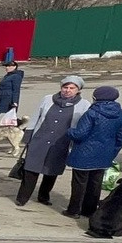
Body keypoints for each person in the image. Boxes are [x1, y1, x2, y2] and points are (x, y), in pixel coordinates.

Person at [16, 76, 90, 207]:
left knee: (52, 170)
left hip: (61, 143)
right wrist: (28, 136)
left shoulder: (84, 104)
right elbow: (35, 117)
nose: (68, 90)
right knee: (31, 169)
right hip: (40, 139)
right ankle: (22, 198)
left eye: (72, 88)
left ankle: (43, 195)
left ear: (78, 90)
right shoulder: (48, 99)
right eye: (65, 87)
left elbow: (83, 125)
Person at [63, 86, 122, 219]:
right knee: (95, 184)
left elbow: (80, 134)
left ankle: (74, 210)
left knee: (79, 183)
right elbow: (121, 138)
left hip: (84, 153)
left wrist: (69, 131)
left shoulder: (92, 113)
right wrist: (111, 153)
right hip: (104, 155)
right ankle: (89, 211)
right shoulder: (121, 114)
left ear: (96, 98)